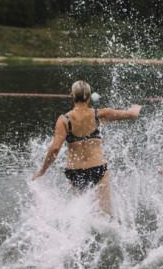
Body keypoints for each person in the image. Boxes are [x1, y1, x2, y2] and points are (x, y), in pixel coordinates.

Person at [32, 80, 141, 215]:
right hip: (97, 169)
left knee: (82, 216)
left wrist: (43, 170)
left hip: (75, 171)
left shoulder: (64, 120)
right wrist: (136, 107)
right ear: (89, 96)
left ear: (71, 96)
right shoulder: (100, 114)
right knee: (106, 214)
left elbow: (55, 149)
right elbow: (132, 114)